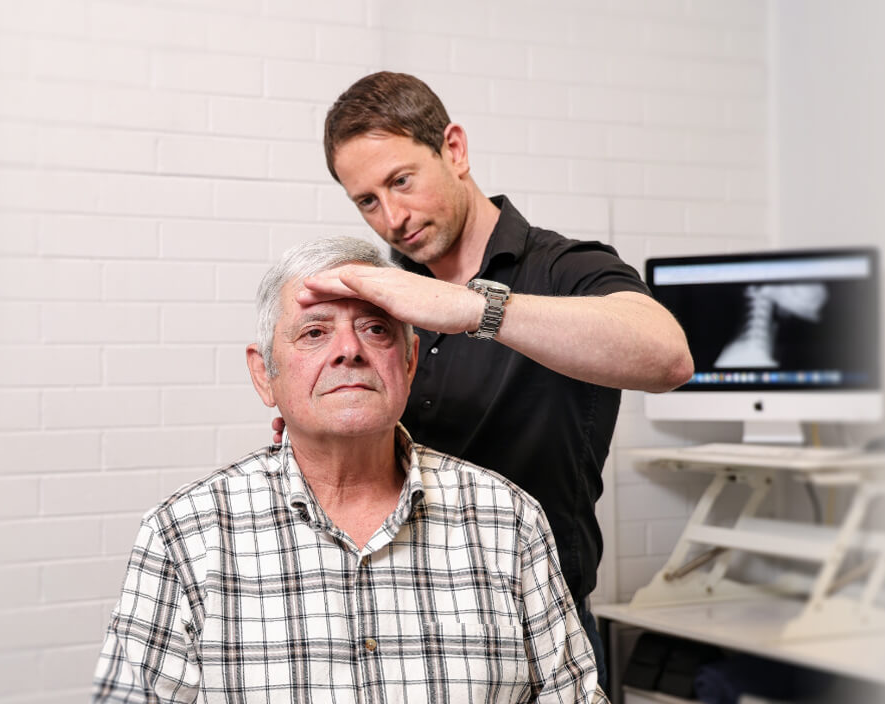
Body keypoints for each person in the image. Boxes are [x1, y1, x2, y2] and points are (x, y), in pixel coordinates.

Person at [289, 71, 695, 677]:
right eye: (367, 201)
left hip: (533, 625)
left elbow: (669, 357)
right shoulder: (386, 296)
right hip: (398, 623)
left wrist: (475, 308)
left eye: (402, 181)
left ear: (454, 149)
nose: (393, 218)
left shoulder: (564, 268)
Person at [94, 237, 606, 703]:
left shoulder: (509, 520)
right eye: (314, 332)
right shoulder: (183, 535)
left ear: (408, 366)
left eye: (375, 329)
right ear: (263, 374)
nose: (348, 350)